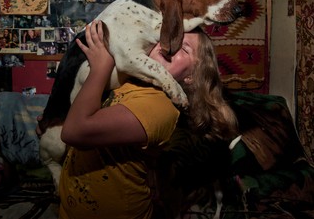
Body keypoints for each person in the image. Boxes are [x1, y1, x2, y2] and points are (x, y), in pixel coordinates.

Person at [57, 20, 236, 218]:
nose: (169, 46)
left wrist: (101, 67)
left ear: (191, 76)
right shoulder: (127, 80)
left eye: (183, 48)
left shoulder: (158, 107)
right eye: (168, 38)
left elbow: (75, 131)